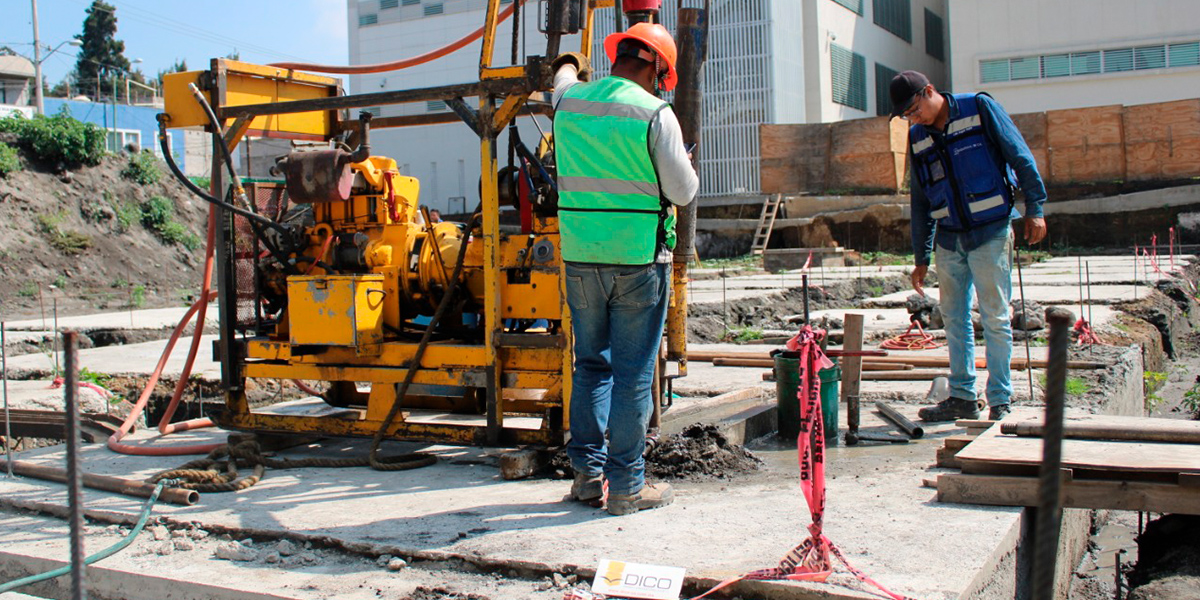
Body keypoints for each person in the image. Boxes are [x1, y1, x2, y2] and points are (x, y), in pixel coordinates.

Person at [551, 22, 699, 516]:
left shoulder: (568, 101)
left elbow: (561, 76)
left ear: (618, 57)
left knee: (591, 366)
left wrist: (570, 62)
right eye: (663, 75)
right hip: (637, 260)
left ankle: (586, 478)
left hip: (580, 256)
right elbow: (682, 192)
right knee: (633, 375)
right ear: (655, 66)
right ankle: (627, 487)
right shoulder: (655, 113)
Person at [890, 70, 1048, 423]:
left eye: (914, 110)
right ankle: (962, 396)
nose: (913, 119)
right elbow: (920, 199)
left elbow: (1020, 156)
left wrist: (1035, 208)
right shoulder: (917, 137)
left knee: (995, 317)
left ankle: (1000, 399)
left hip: (990, 230)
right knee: (953, 317)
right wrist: (921, 256)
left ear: (929, 91)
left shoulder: (978, 108)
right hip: (949, 237)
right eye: (906, 116)